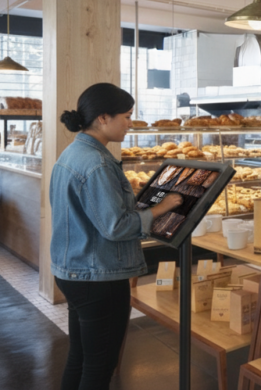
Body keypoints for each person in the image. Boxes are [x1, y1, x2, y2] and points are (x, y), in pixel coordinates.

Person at [51, 83, 183, 390]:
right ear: (102, 118)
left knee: (80, 357)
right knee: (100, 367)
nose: (130, 123)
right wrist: (163, 207)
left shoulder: (72, 153)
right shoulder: (96, 164)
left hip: (72, 269)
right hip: (99, 277)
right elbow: (116, 227)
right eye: (126, 116)